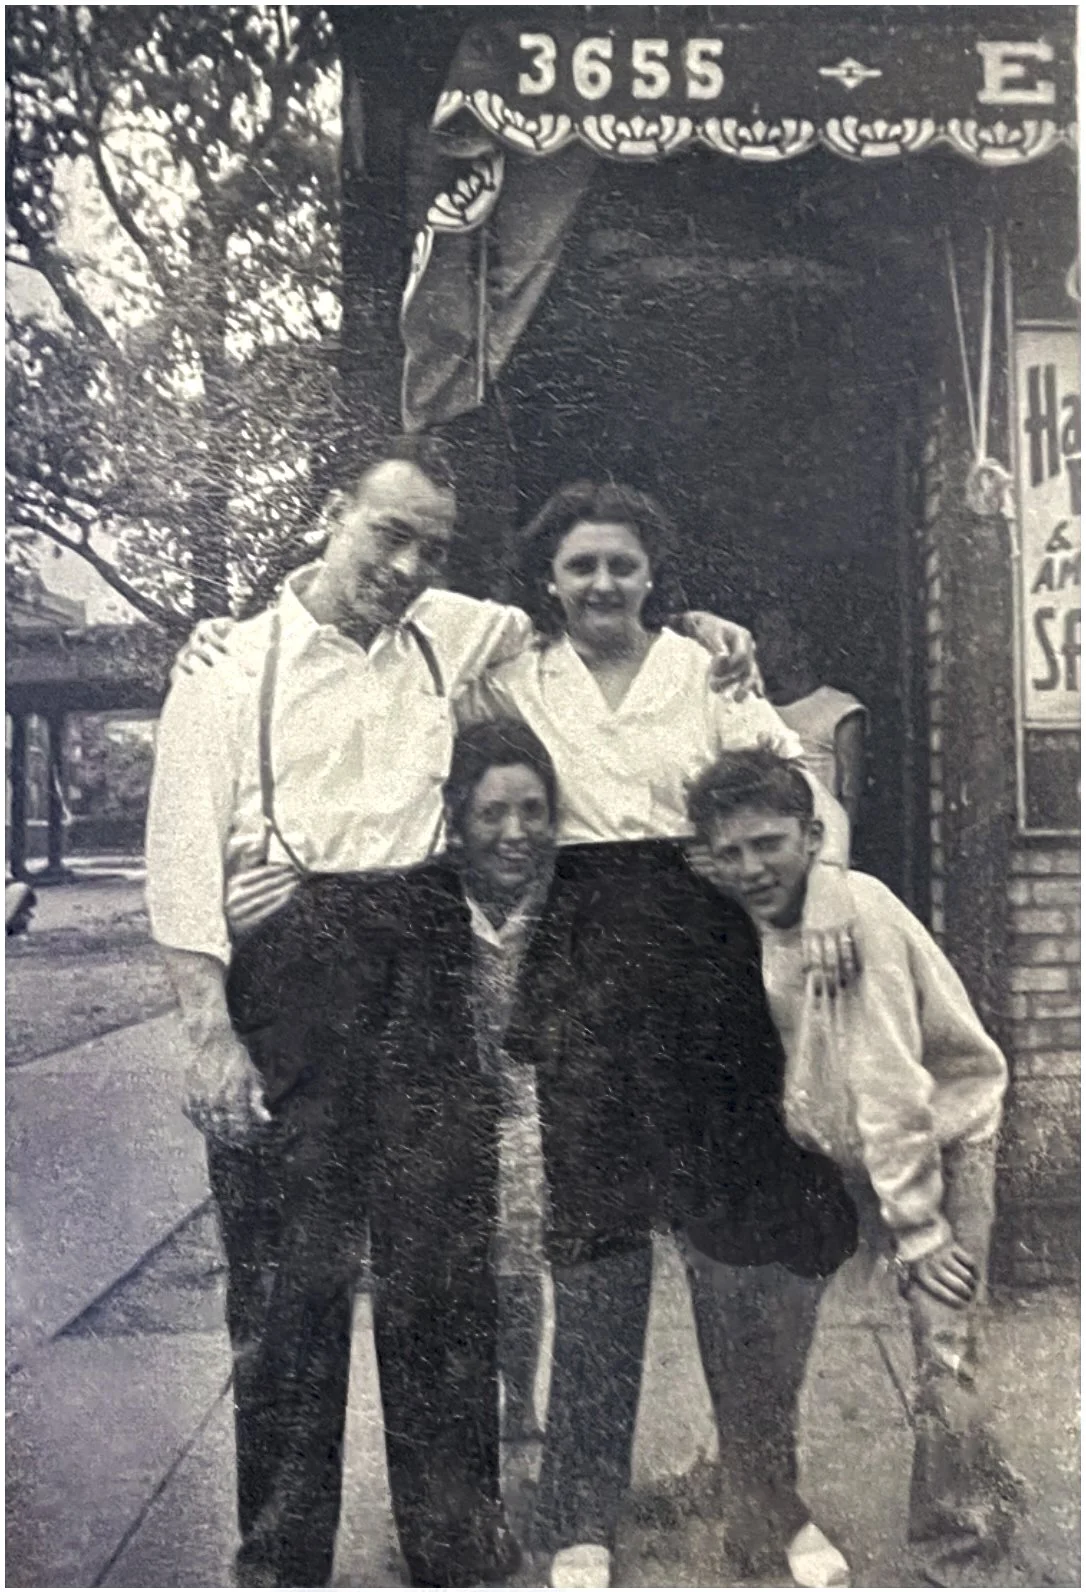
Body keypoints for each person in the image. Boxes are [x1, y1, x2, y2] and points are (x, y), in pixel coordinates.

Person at [148, 437, 759, 1588]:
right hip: (293, 965)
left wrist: (714, 628)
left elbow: (597, 611)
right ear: (331, 514)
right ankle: (281, 1555)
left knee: (441, 1271)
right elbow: (180, 857)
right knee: (291, 1283)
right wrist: (209, 1029)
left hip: (423, 952)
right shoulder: (228, 668)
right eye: (390, 532)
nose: (408, 562)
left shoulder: (458, 630)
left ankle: (451, 1538)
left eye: (431, 545)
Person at [458, 481, 862, 1588]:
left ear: (652, 575)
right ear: (549, 576)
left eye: (622, 566)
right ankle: (580, 1514)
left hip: (709, 955)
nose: (601, 584)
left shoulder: (705, 669)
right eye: (582, 565)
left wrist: (821, 881)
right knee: (596, 1249)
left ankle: (767, 1505)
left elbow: (794, 772)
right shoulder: (509, 678)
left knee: (738, 1248)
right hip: (585, 958)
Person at [684, 748, 1024, 1588]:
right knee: (772, 1305)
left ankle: (962, 1533)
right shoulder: (756, 916)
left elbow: (891, 1082)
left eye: (768, 844)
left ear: (812, 836)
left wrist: (917, 1228)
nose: (751, 868)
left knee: (943, 1326)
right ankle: (767, 1497)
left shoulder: (853, 918)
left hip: (935, 1137)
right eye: (728, 853)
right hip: (839, 1146)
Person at [441, 721, 557, 1447]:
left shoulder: (562, 900)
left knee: (517, 1259)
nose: (515, 832)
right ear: (460, 819)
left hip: (530, 1107)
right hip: (448, 1103)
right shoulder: (433, 897)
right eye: (492, 814)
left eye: (532, 812)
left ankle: (518, 1402)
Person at [754, 602, 867, 841]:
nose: (759, 647)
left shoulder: (839, 709)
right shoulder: (756, 707)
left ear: (799, 642)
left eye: (772, 635)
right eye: (758, 635)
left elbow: (851, 797)